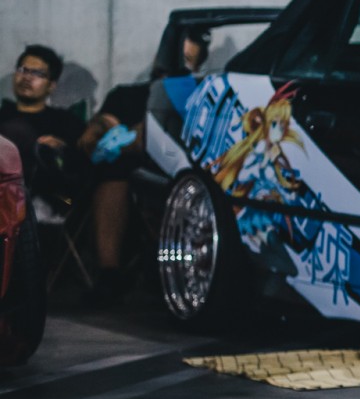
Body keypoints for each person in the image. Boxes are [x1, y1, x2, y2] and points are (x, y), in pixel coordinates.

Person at [77, 31, 210, 304]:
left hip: (178, 179)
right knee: (114, 172)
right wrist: (104, 127)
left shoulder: (198, 101)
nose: (171, 64)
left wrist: (135, 137)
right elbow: (91, 139)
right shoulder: (127, 95)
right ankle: (110, 274)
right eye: (169, 56)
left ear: (196, 68)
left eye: (184, 59)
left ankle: (179, 274)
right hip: (125, 177)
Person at [0, 45, 86, 209]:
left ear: (52, 85)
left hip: (50, 199)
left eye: (37, 73)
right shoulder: (3, 117)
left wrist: (61, 150)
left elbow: (82, 167)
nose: (27, 77)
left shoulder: (66, 122)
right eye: (23, 70)